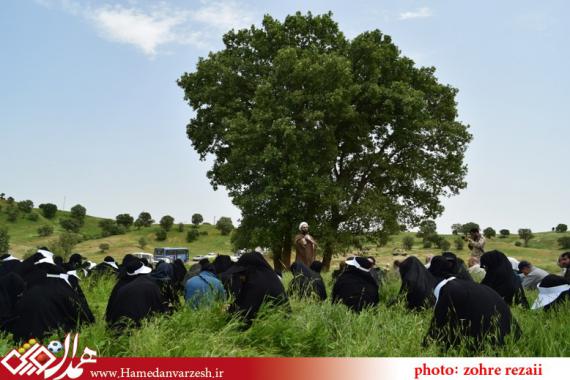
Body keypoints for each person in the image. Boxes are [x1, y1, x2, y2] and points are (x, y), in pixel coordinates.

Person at [425, 256, 521, 350]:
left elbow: (438, 324)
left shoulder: (448, 290)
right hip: (512, 337)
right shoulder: (467, 285)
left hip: (492, 344)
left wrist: (425, 346)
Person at [223, 251, 288, 325]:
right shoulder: (269, 277)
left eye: (242, 273)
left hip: (273, 326)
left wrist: (228, 312)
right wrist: (232, 307)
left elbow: (246, 313)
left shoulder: (257, 283)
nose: (240, 277)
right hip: (282, 321)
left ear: (248, 270)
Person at [106, 260, 167, 329]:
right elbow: (159, 309)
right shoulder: (149, 286)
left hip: (117, 328)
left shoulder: (119, 286)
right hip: (141, 329)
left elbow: (110, 311)